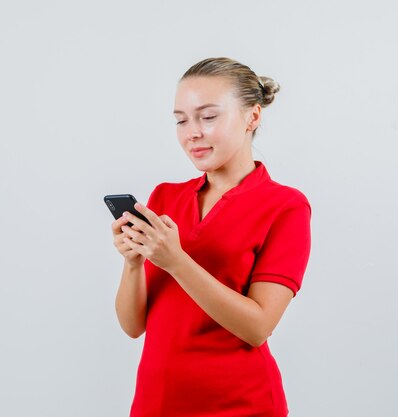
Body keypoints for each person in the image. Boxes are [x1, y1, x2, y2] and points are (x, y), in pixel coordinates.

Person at [111, 57, 312, 417]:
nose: (192, 132)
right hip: (156, 402)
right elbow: (133, 326)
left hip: (239, 404)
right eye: (181, 120)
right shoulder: (165, 198)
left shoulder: (286, 207)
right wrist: (133, 263)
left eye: (208, 117)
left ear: (252, 117)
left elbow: (258, 327)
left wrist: (176, 261)